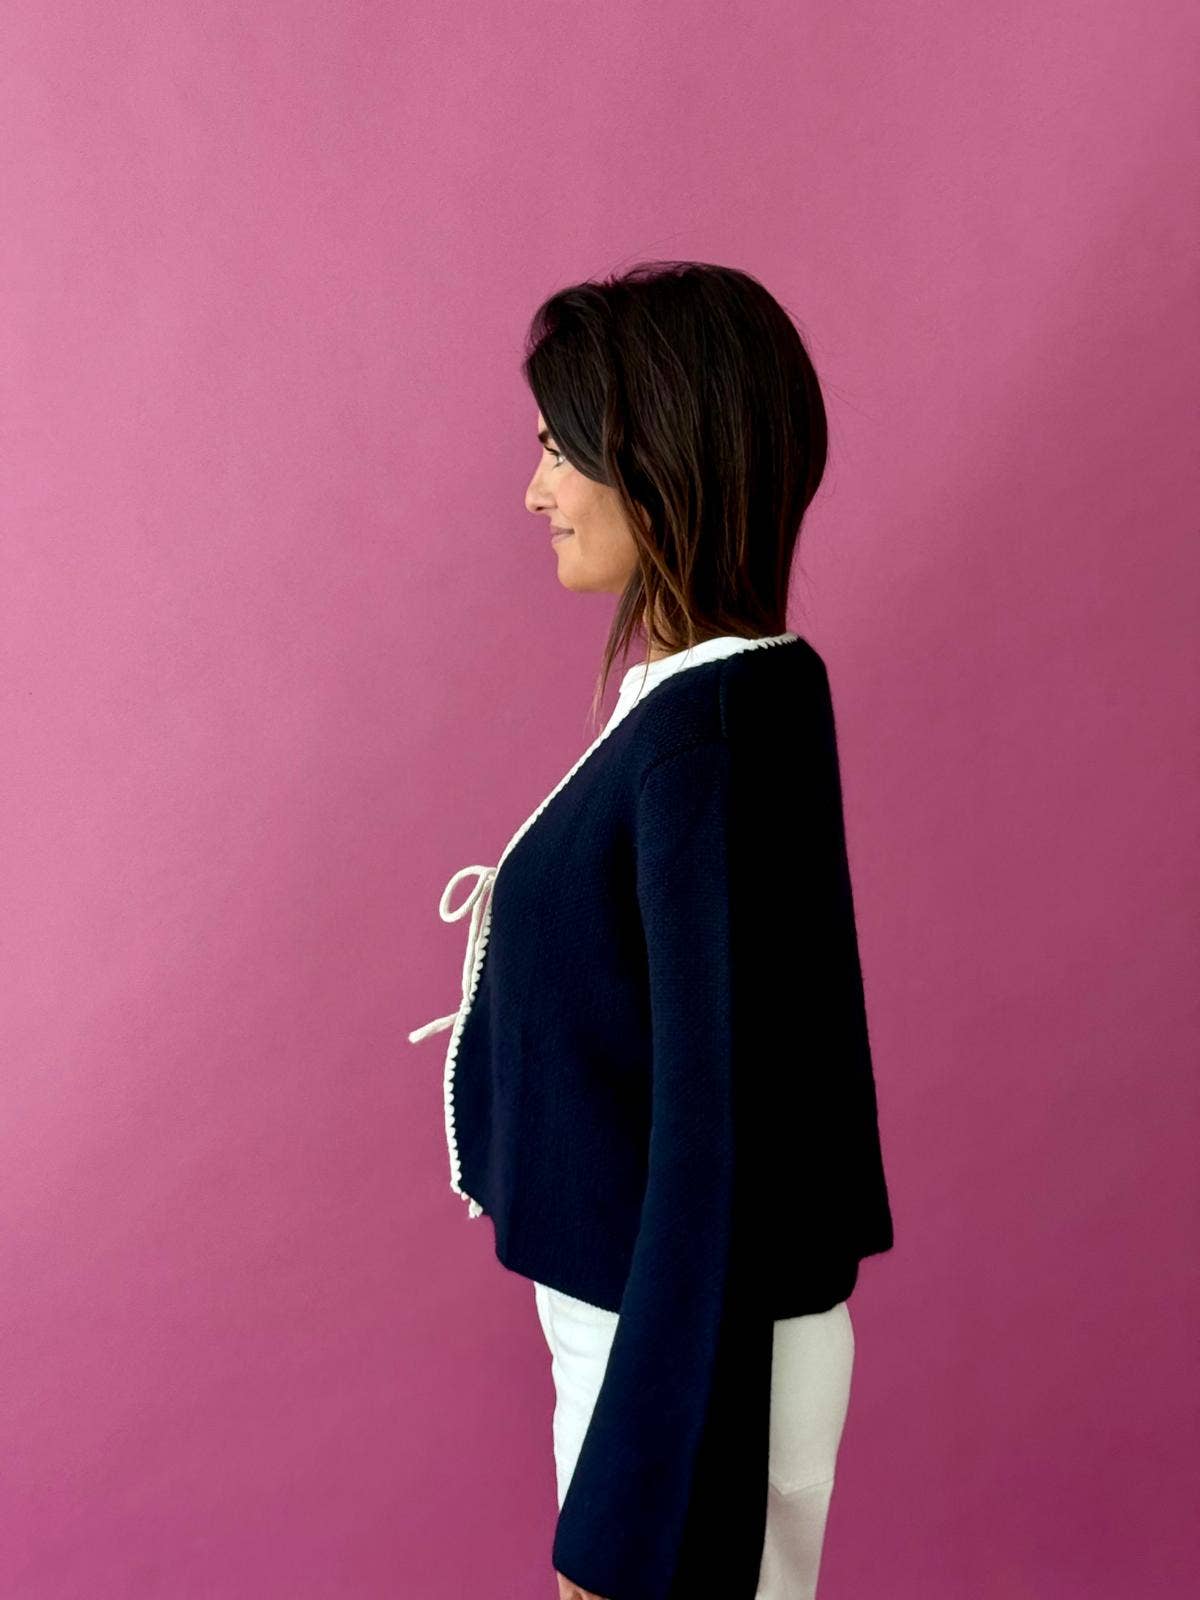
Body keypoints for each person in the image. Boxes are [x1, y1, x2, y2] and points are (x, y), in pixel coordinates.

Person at [408, 260, 895, 1600]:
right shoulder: (702, 710)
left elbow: (717, 1150)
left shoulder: (709, 745)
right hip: (660, 1341)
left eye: (561, 451)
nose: (536, 492)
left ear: (659, 462)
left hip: (686, 1358)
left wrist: (631, 1516)